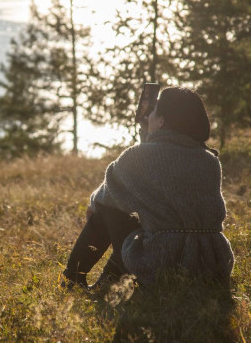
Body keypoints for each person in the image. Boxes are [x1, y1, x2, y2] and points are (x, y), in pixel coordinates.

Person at [62, 87, 234, 289]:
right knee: (141, 214)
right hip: (212, 264)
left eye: (153, 112)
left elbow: (104, 197)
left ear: (161, 120)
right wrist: (149, 135)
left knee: (108, 210)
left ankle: (72, 279)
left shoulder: (138, 156)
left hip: (163, 261)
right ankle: (104, 285)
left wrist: (94, 206)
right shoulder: (210, 160)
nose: (148, 116)